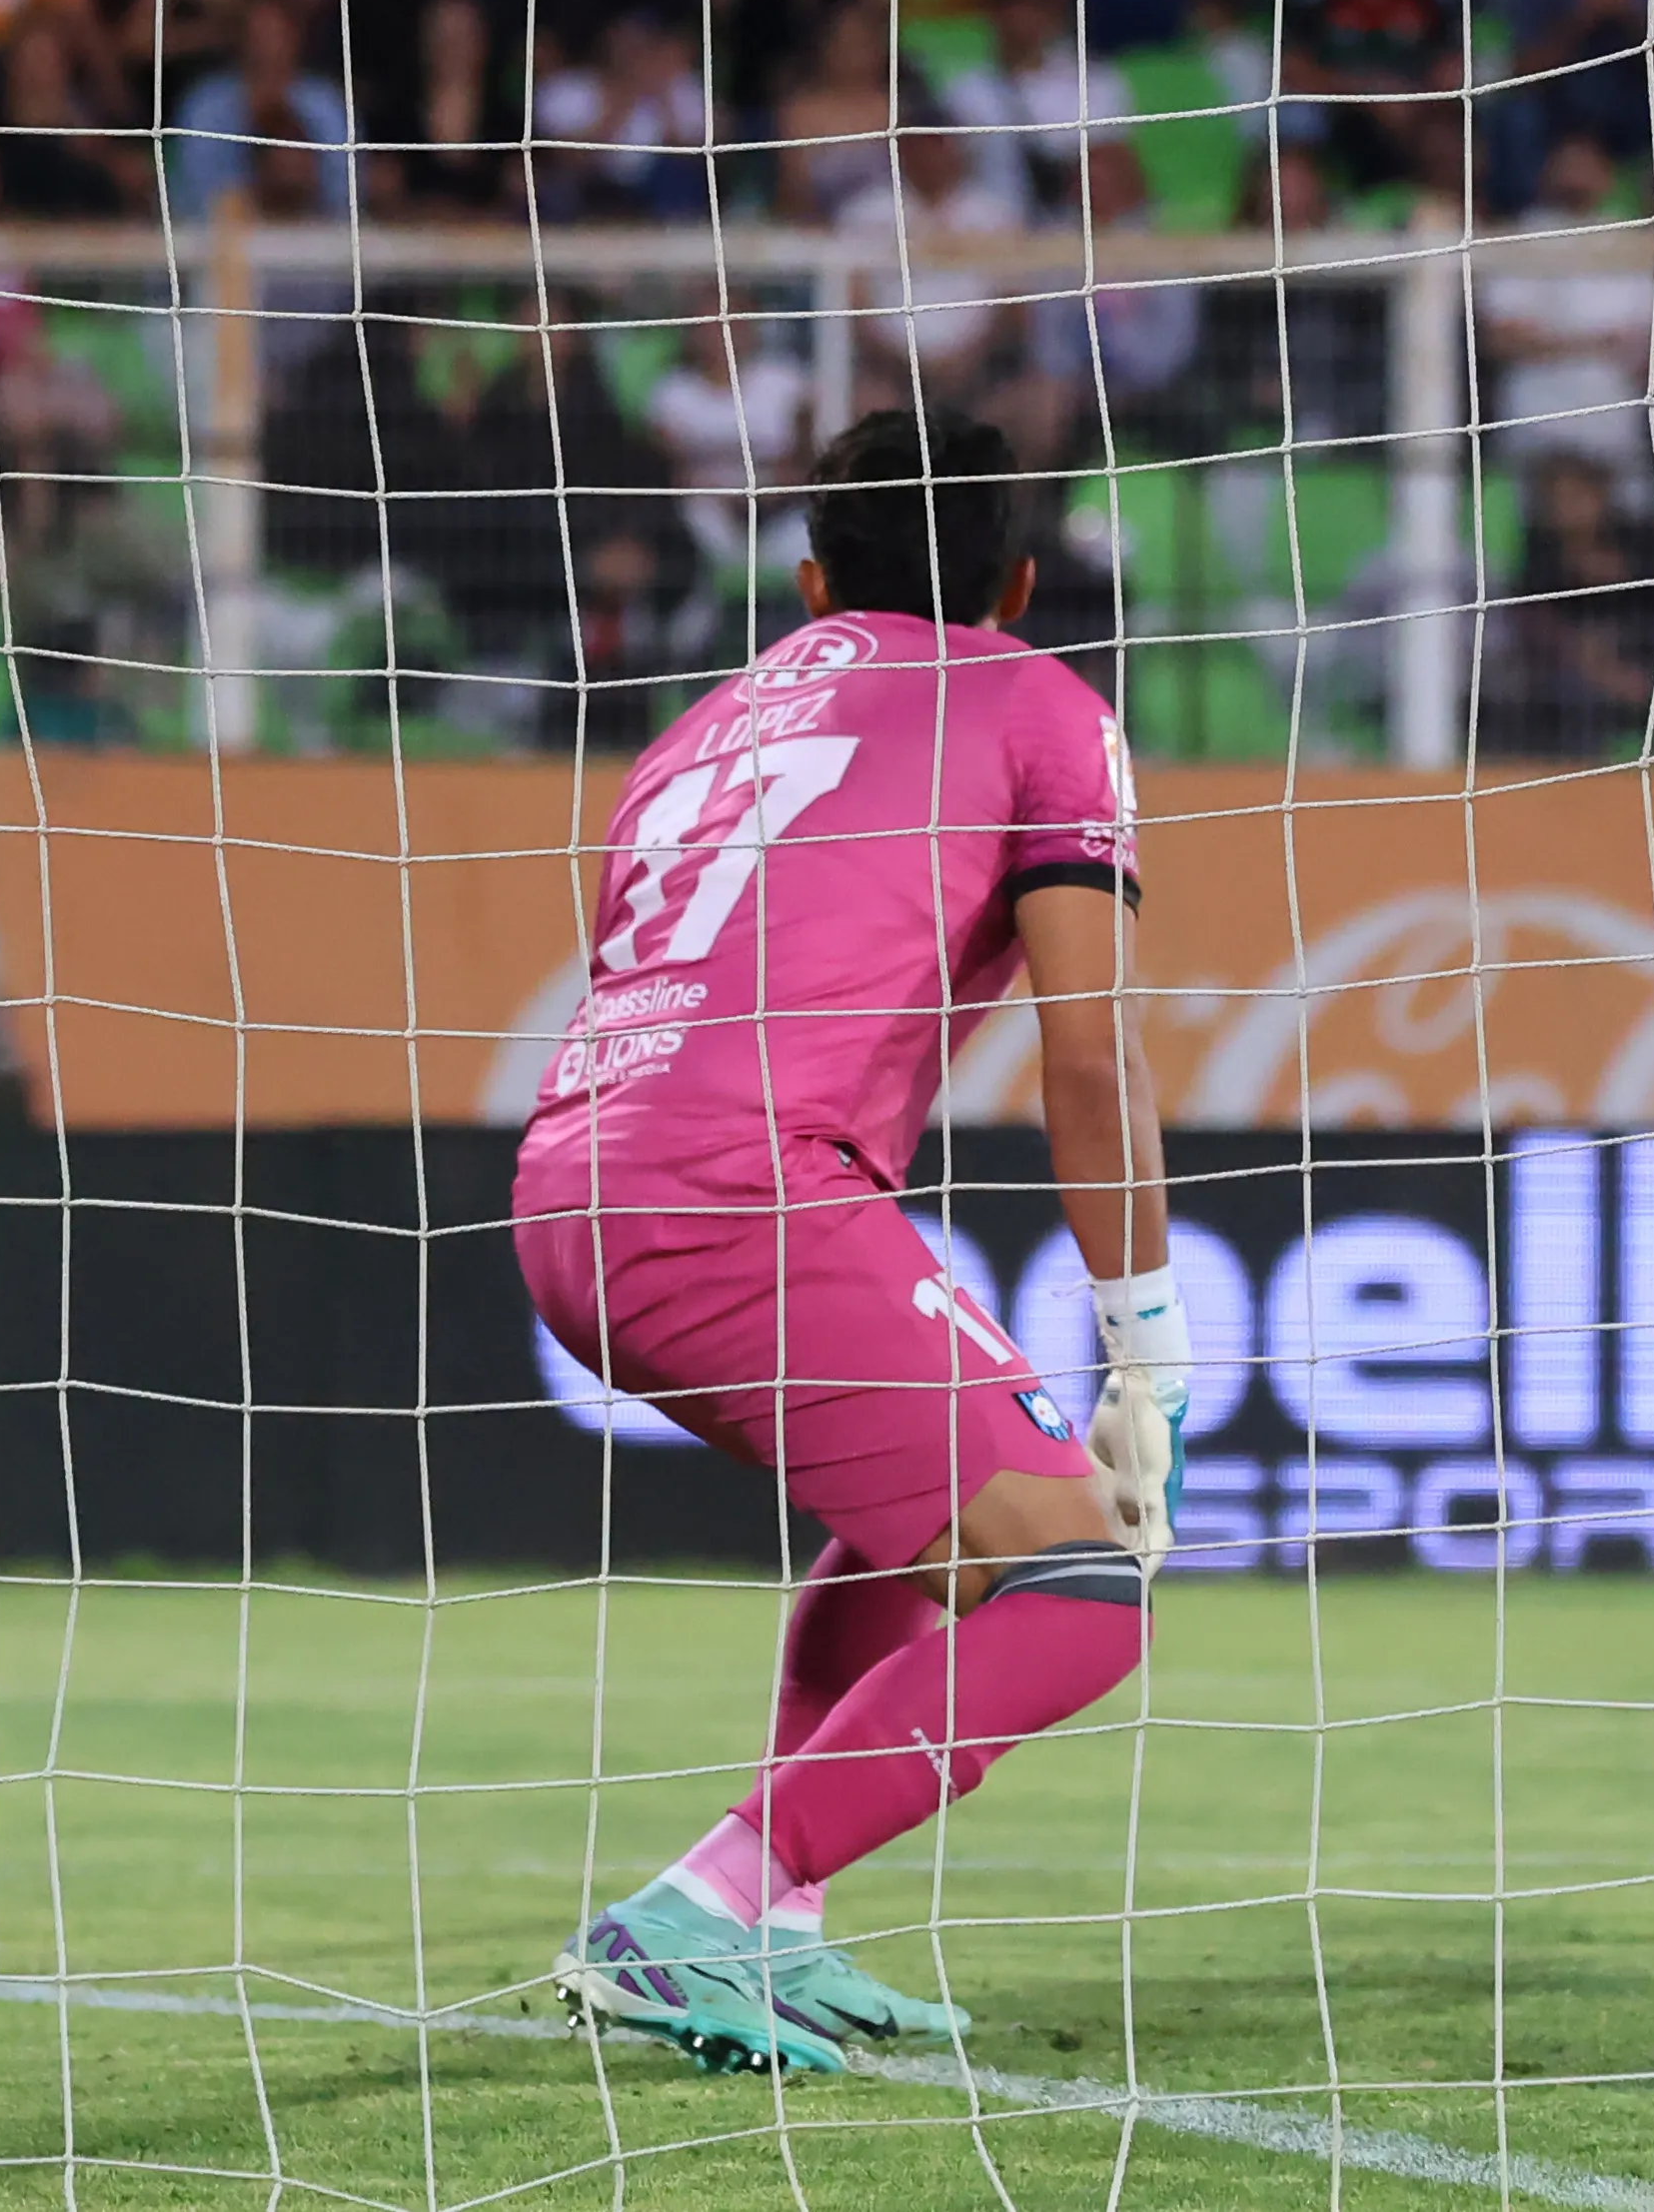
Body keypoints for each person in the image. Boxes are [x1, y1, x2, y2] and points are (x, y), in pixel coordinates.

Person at [523, 409, 1178, 2075]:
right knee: (1079, 1579)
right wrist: (1144, 1355)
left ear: (811, 577)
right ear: (1020, 579)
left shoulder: (696, 729)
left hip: (570, 1183)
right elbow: (1089, 1052)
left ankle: (780, 1932)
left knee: (911, 1533)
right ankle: (699, 1906)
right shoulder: (1035, 698)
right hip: (743, 1191)